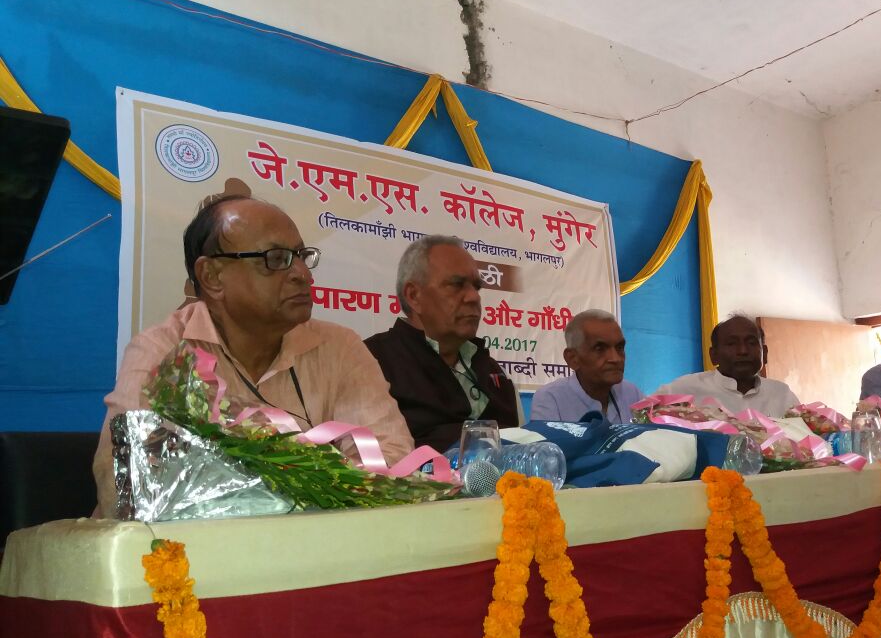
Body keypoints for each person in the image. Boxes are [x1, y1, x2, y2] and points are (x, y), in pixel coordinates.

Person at [92, 195, 414, 517]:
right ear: (212, 276)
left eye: (301, 256)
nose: (303, 274)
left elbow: (391, 460)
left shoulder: (339, 347)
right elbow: (127, 482)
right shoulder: (163, 351)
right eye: (275, 259)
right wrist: (302, 494)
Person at [365, 235, 518, 452]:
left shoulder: (490, 370)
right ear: (414, 296)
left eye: (476, 287)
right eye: (456, 285)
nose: (473, 297)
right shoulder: (371, 362)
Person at [655, 314, 799, 416]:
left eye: (751, 343)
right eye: (731, 344)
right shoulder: (684, 389)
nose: (743, 351)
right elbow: (646, 420)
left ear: (765, 353)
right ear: (714, 355)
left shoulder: (783, 394)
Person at [530, 310, 644, 423]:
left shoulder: (632, 393)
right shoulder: (550, 399)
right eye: (600, 349)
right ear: (573, 358)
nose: (616, 359)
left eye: (619, 348)